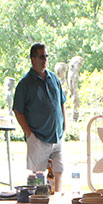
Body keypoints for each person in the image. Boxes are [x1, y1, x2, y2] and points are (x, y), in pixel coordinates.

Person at [12, 43, 66, 192]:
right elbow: (18, 110)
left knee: (59, 170)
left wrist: (64, 125)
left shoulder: (53, 78)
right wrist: (29, 133)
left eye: (46, 56)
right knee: (38, 176)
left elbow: (61, 102)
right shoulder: (25, 84)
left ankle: (58, 199)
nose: (45, 60)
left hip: (57, 135)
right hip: (38, 136)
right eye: (41, 57)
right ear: (32, 59)